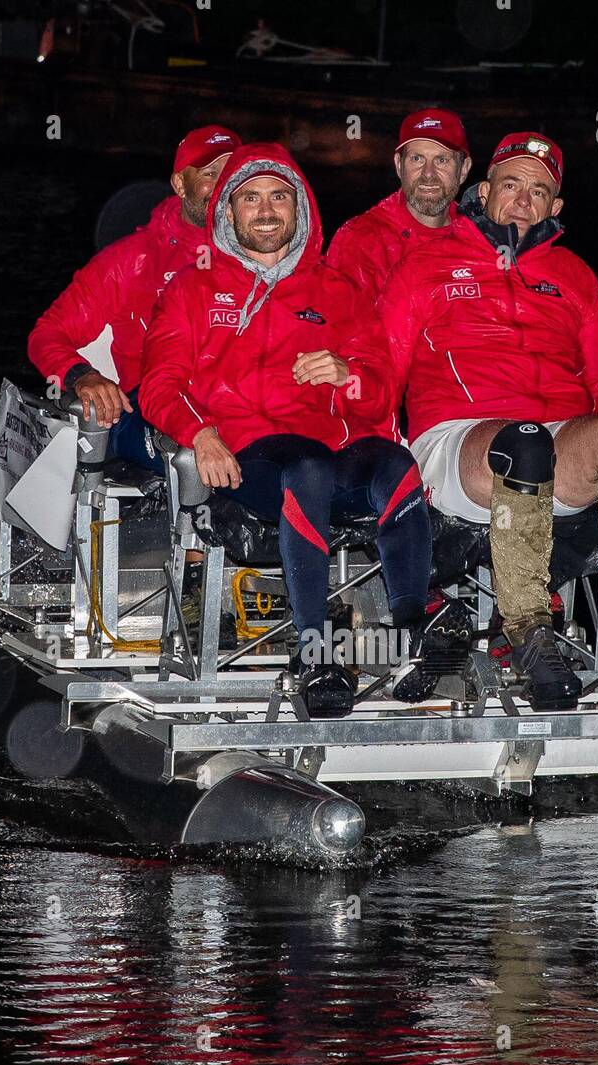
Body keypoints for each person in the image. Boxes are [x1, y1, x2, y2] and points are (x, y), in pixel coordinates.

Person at [379, 130, 598, 709]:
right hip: (456, 443)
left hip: (554, 444)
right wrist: (374, 455)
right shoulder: (423, 265)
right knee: (524, 442)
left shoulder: (576, 277)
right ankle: (530, 632)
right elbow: (381, 370)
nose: (522, 199)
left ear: (555, 207)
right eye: (510, 185)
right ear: (483, 191)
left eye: (538, 191)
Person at [140, 142, 470, 717]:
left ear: (301, 210)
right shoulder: (193, 291)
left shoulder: (336, 291)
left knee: (394, 467)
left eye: (278, 198)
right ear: (227, 211)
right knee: (307, 467)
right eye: (249, 199)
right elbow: (159, 387)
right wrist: (201, 433)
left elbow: (381, 390)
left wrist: (349, 376)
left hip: (329, 450)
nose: (266, 212)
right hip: (248, 460)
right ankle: (315, 657)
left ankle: (414, 635)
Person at [27, 124, 241, 474]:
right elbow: (47, 334)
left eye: (233, 173)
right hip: (152, 409)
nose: (223, 184)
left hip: (240, 407)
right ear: (179, 184)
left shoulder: (267, 259)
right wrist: (82, 375)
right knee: (191, 452)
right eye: (210, 173)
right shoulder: (132, 260)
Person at [325, 108, 471, 301]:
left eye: (442, 160)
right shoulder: (359, 241)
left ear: (463, 170)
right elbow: (340, 325)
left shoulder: (479, 239)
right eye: (416, 159)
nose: (428, 174)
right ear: (399, 165)